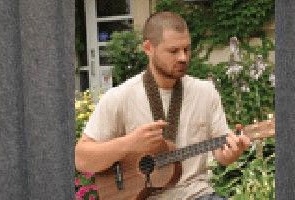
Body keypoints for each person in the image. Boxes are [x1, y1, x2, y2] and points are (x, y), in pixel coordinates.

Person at [75, 11, 251, 200]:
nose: (183, 57)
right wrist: (129, 143)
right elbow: (82, 159)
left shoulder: (206, 93)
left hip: (196, 194)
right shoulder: (120, 97)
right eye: (174, 51)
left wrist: (233, 152)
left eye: (187, 49)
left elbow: (221, 154)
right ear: (148, 48)